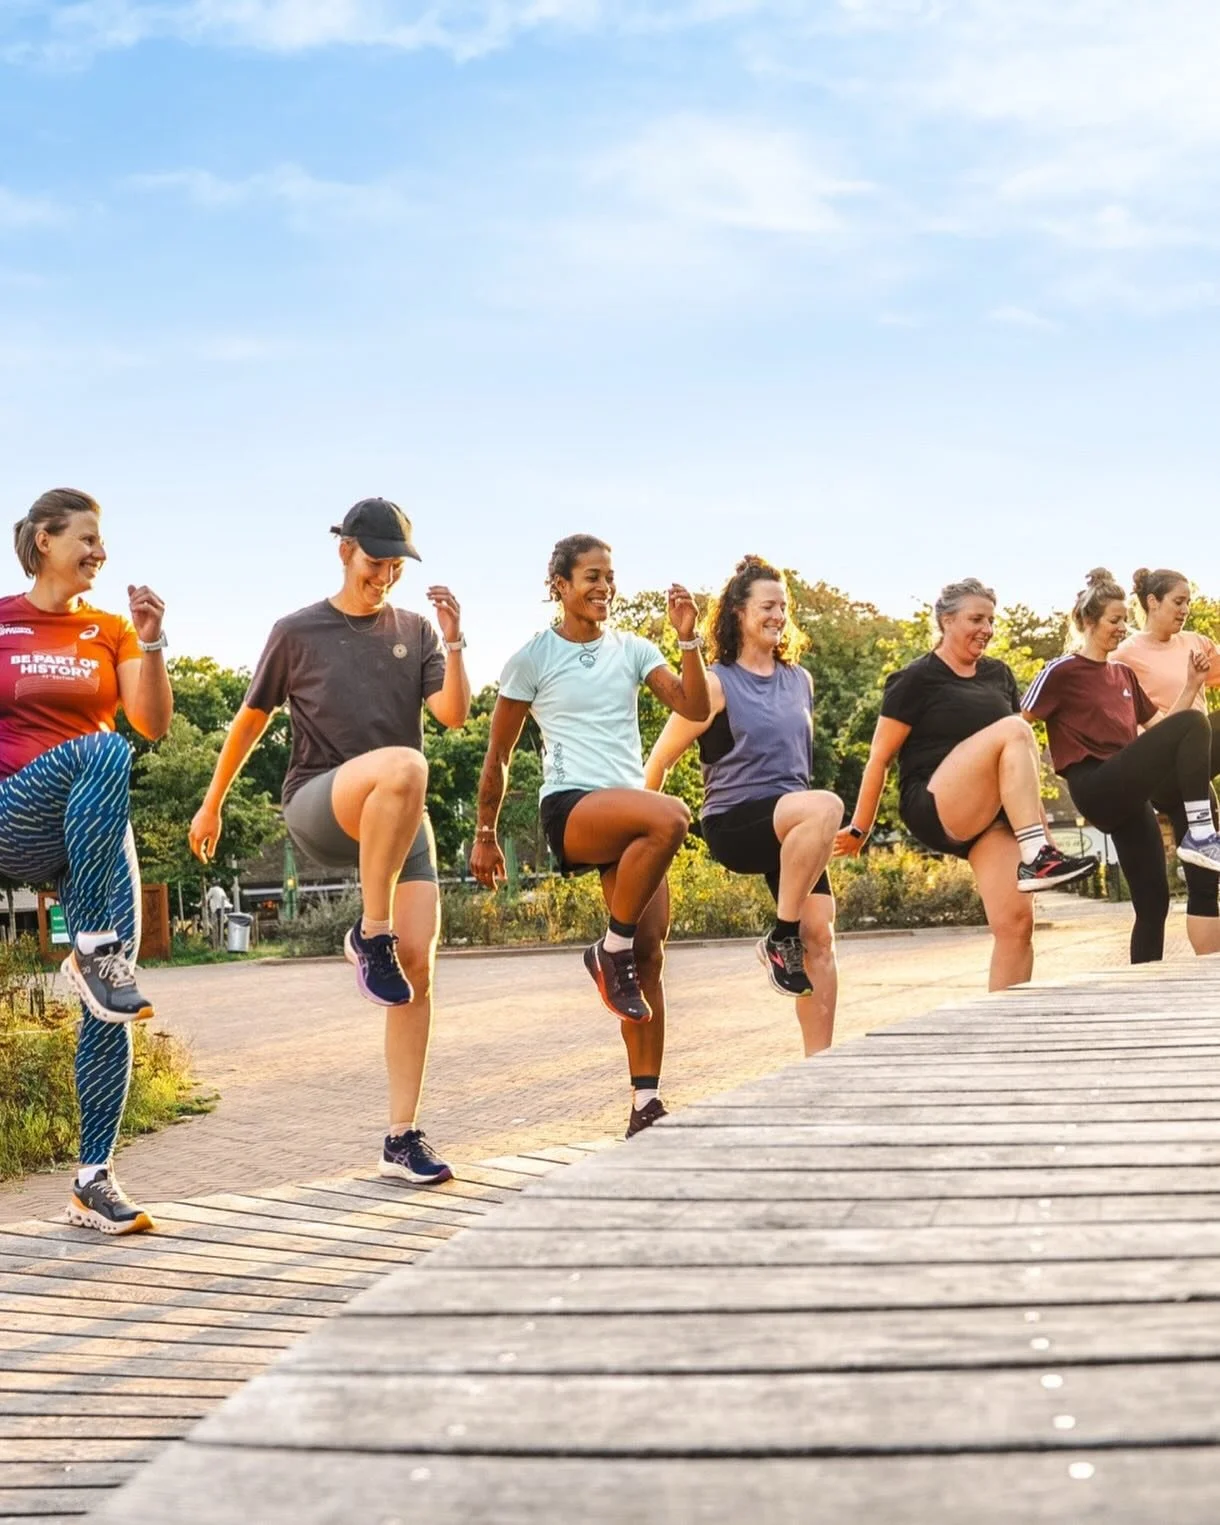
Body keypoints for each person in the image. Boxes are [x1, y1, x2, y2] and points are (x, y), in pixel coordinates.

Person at [189, 498, 469, 1184]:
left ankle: (401, 1136)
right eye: (376, 562)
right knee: (407, 764)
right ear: (344, 550)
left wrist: (456, 640)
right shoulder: (297, 631)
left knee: (417, 973)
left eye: (396, 565)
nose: (386, 576)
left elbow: (454, 714)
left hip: (399, 821)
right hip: (321, 802)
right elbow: (250, 722)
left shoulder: (416, 630)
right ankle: (368, 933)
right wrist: (211, 804)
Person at [470, 534, 709, 1138]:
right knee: (673, 815)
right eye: (590, 577)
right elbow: (497, 755)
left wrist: (687, 639)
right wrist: (485, 833)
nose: (604, 587)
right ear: (560, 586)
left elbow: (694, 706)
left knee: (650, 953)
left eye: (610, 576)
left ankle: (645, 1104)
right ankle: (608, 950)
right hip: (573, 807)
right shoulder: (532, 658)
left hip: (630, 816)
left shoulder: (633, 649)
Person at [0, 489, 172, 1234]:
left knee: (113, 1005)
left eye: (103, 541)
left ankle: (92, 1178)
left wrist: (153, 641)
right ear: (44, 539)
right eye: (87, 538)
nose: (101, 552)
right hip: (14, 810)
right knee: (102, 747)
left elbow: (152, 723)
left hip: (92, 839)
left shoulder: (109, 631)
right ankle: (95, 948)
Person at [835, 578, 1096, 992]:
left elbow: (1020, 763)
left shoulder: (998, 674)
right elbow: (879, 758)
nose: (987, 629)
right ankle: (1037, 853)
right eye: (976, 618)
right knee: (1014, 727)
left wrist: (1045, 836)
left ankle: (1005, 1030)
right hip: (935, 800)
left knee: (1016, 924)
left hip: (990, 814)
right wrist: (859, 829)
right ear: (946, 620)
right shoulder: (915, 679)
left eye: (992, 620)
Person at [644, 555, 841, 1056]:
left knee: (819, 936)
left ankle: (821, 1066)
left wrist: (812, 830)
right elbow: (660, 760)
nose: (778, 615)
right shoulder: (714, 684)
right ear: (737, 613)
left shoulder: (800, 680)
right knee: (826, 806)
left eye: (783, 606)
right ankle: (780, 935)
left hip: (794, 821)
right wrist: (641, 841)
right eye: (766, 606)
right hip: (735, 821)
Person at [1022, 568, 1220, 965]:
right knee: (1196, 723)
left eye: (1124, 620)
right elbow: (1017, 727)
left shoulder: (1122, 673)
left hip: (1130, 793)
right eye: (1114, 621)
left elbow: (1166, 731)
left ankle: (1145, 985)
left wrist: (1192, 684)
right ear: (1088, 621)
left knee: (1153, 903)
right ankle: (1200, 833)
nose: (1121, 628)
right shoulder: (1062, 671)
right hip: (1095, 783)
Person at [1115, 567, 1220, 956]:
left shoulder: (1196, 642)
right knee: (1196, 724)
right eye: (1178, 602)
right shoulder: (1126, 654)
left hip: (1194, 778)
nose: (1186, 610)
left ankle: (1211, 972)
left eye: (1189, 602)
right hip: (1159, 769)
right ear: (1152, 602)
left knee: (1207, 880)